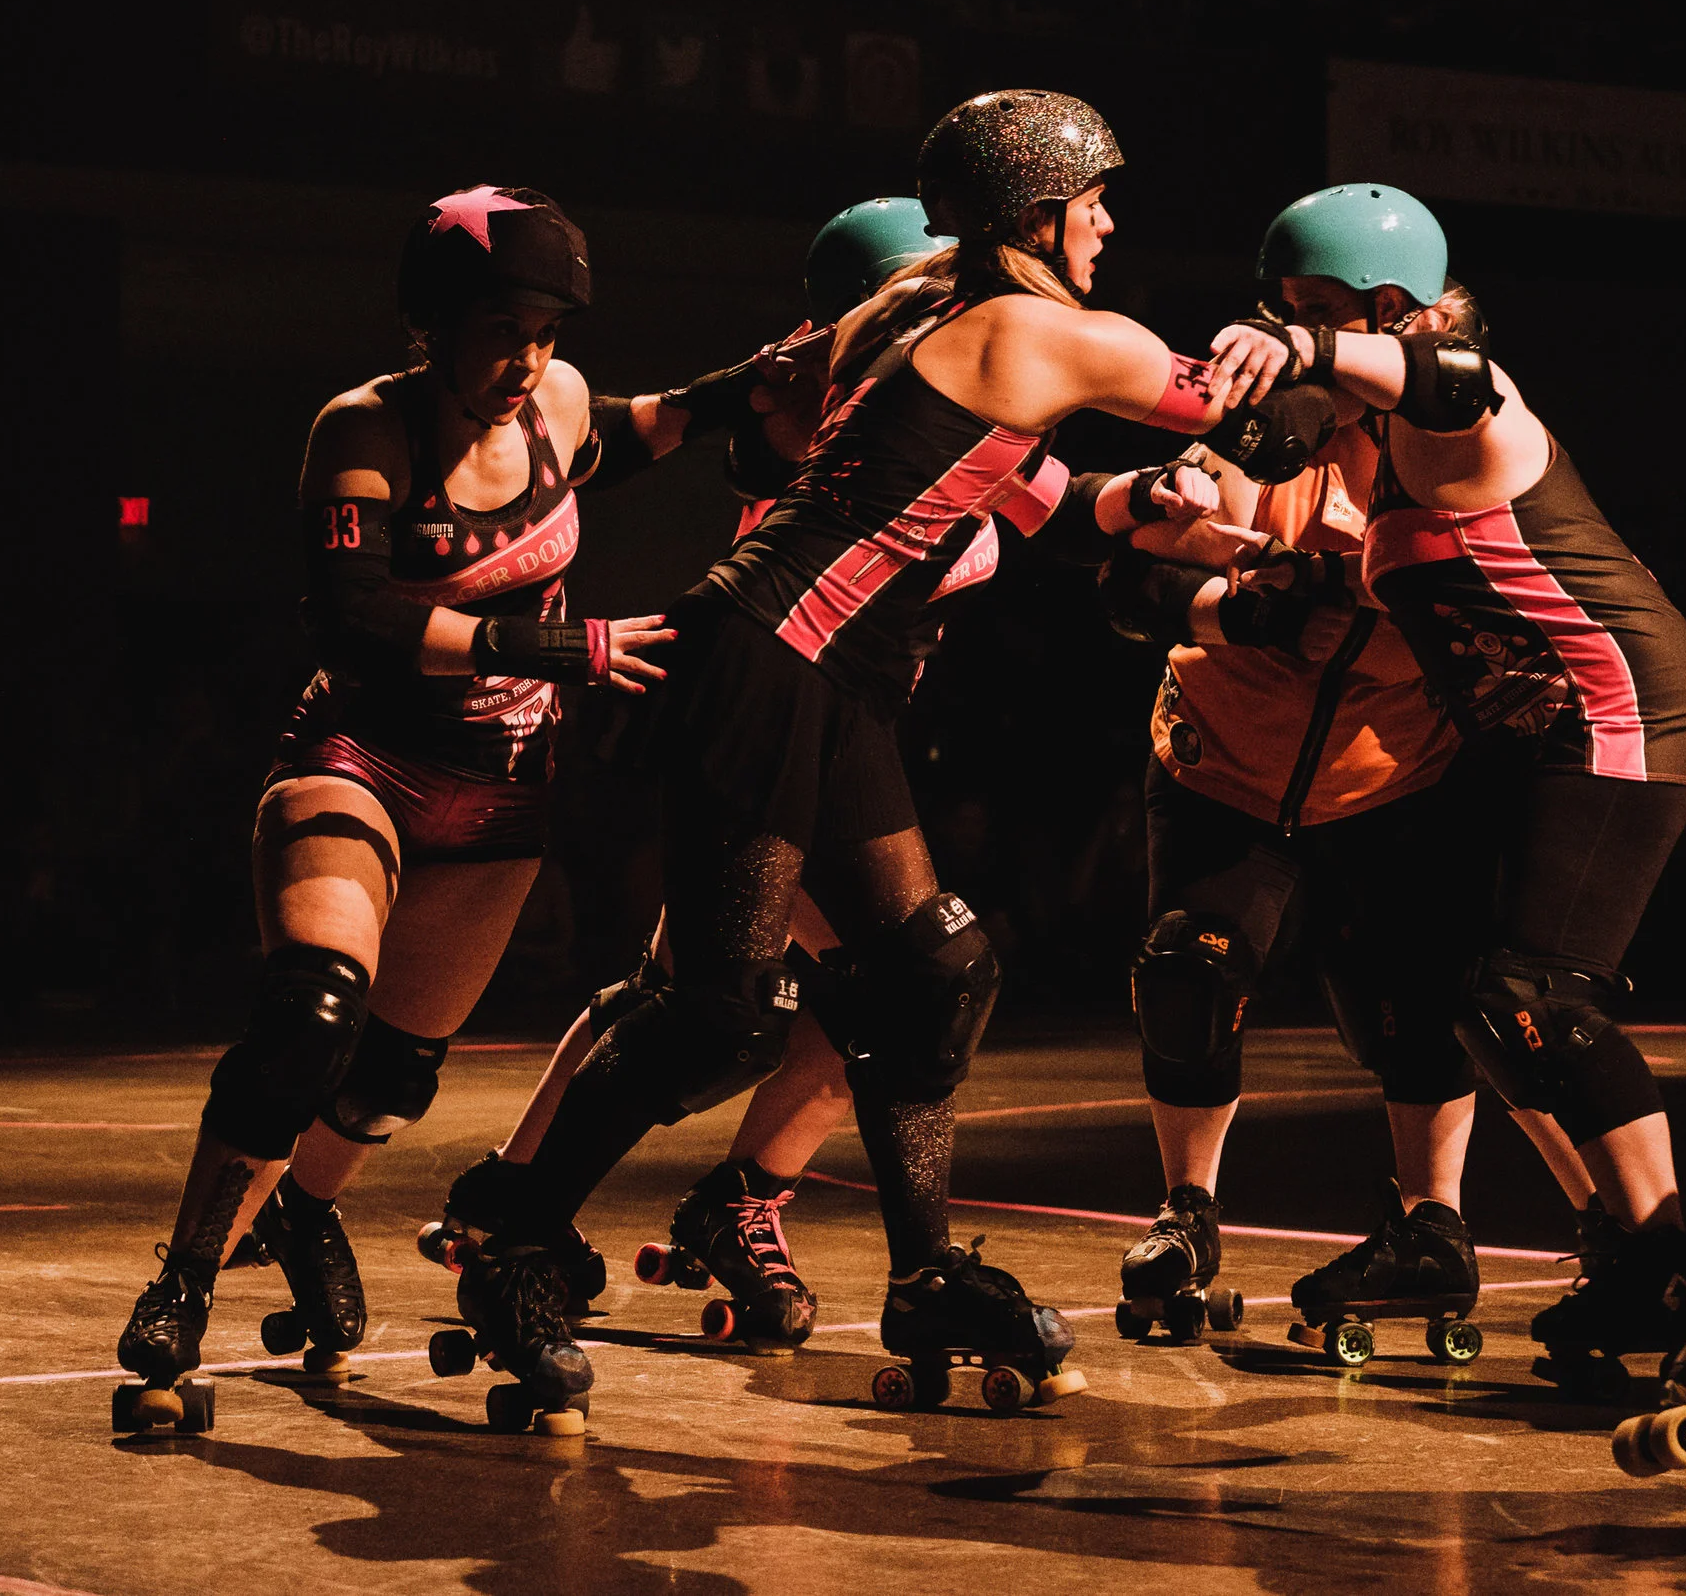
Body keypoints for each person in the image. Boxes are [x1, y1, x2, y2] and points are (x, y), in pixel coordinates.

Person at [479, 90, 1336, 1412]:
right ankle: (516, 1237)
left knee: (935, 971)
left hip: (826, 674)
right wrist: (1309, 343)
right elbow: (1256, 418)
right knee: (717, 1011)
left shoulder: (924, 310)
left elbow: (1038, 491)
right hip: (776, 662)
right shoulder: (1047, 329)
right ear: (1035, 212)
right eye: (1094, 200)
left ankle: (927, 1271)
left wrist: (1144, 500)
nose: (1109, 223)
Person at [112, 185, 701, 1431]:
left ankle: (305, 1207)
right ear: (432, 325)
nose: (525, 358)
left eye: (545, 331)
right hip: (363, 755)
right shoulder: (366, 427)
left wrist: (802, 367)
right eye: (499, 329)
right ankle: (185, 1282)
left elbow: (656, 425)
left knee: (392, 1078)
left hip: (501, 790)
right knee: (309, 1015)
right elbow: (356, 617)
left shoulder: (558, 404)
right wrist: (558, 646)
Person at [1201, 184, 1686, 1393]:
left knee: (1534, 993)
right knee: (1427, 977)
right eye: (1278, 310)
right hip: (1520, 738)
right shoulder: (1377, 446)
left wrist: (1308, 352)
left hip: (1616, 712)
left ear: (1389, 309)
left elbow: (1452, 375)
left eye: (1311, 309)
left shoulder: (1456, 410)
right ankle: (1531, 1239)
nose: (1288, 331)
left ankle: (1666, 1267)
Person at [435, 198, 958, 1357]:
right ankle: (712, 1202)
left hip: (833, 738)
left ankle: (513, 1193)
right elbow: (749, 451)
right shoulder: (836, 421)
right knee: (868, 991)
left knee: (692, 991)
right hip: (768, 732)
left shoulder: (928, 405)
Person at [1100, 264, 1599, 1351]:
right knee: (1188, 972)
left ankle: (1433, 1223)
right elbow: (1131, 584)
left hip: (1392, 771)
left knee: (1421, 1005)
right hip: (1225, 758)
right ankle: (1185, 1212)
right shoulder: (1269, 434)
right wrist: (1249, 613)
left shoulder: (1468, 448)